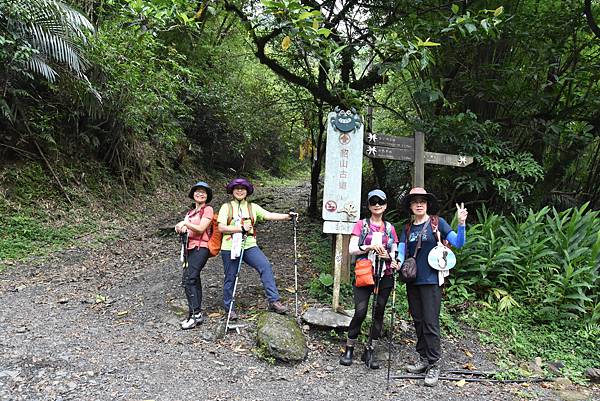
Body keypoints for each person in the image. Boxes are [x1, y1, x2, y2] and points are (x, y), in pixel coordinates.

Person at [397, 187, 468, 386]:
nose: (419, 204)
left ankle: (434, 363)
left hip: (431, 281)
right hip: (412, 281)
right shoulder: (408, 228)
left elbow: (459, 243)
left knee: (430, 322)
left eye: (423, 201)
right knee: (418, 321)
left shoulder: (438, 223)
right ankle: (423, 359)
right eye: (415, 201)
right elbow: (402, 252)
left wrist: (461, 223)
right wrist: (397, 261)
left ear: (427, 205)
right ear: (410, 206)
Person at [217, 177, 298, 319]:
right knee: (231, 276)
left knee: (265, 266)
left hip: (249, 245)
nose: (240, 191)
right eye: (237, 188)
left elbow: (268, 215)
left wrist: (287, 217)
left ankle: (274, 301)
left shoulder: (252, 207)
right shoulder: (226, 207)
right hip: (230, 246)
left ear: (247, 191)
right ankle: (229, 308)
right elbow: (221, 227)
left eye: (243, 189)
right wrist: (240, 228)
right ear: (232, 191)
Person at [339, 189, 399, 369]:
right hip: (365, 273)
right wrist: (369, 246)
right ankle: (349, 348)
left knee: (379, 311)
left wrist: (392, 259)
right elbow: (351, 249)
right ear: (369, 205)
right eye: (373, 202)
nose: (377, 205)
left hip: (385, 274)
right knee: (360, 310)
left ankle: (370, 349)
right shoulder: (361, 225)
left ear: (386, 205)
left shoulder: (390, 228)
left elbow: (395, 251)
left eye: (380, 202)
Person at [174, 181, 214, 330]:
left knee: (189, 279)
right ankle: (195, 314)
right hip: (188, 248)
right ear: (193, 194)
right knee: (193, 279)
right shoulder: (190, 213)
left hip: (201, 248)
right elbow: (185, 229)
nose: (200, 193)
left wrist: (185, 223)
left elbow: (201, 228)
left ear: (207, 196)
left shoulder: (208, 210)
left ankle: (194, 315)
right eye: (197, 191)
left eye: (203, 192)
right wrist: (180, 228)